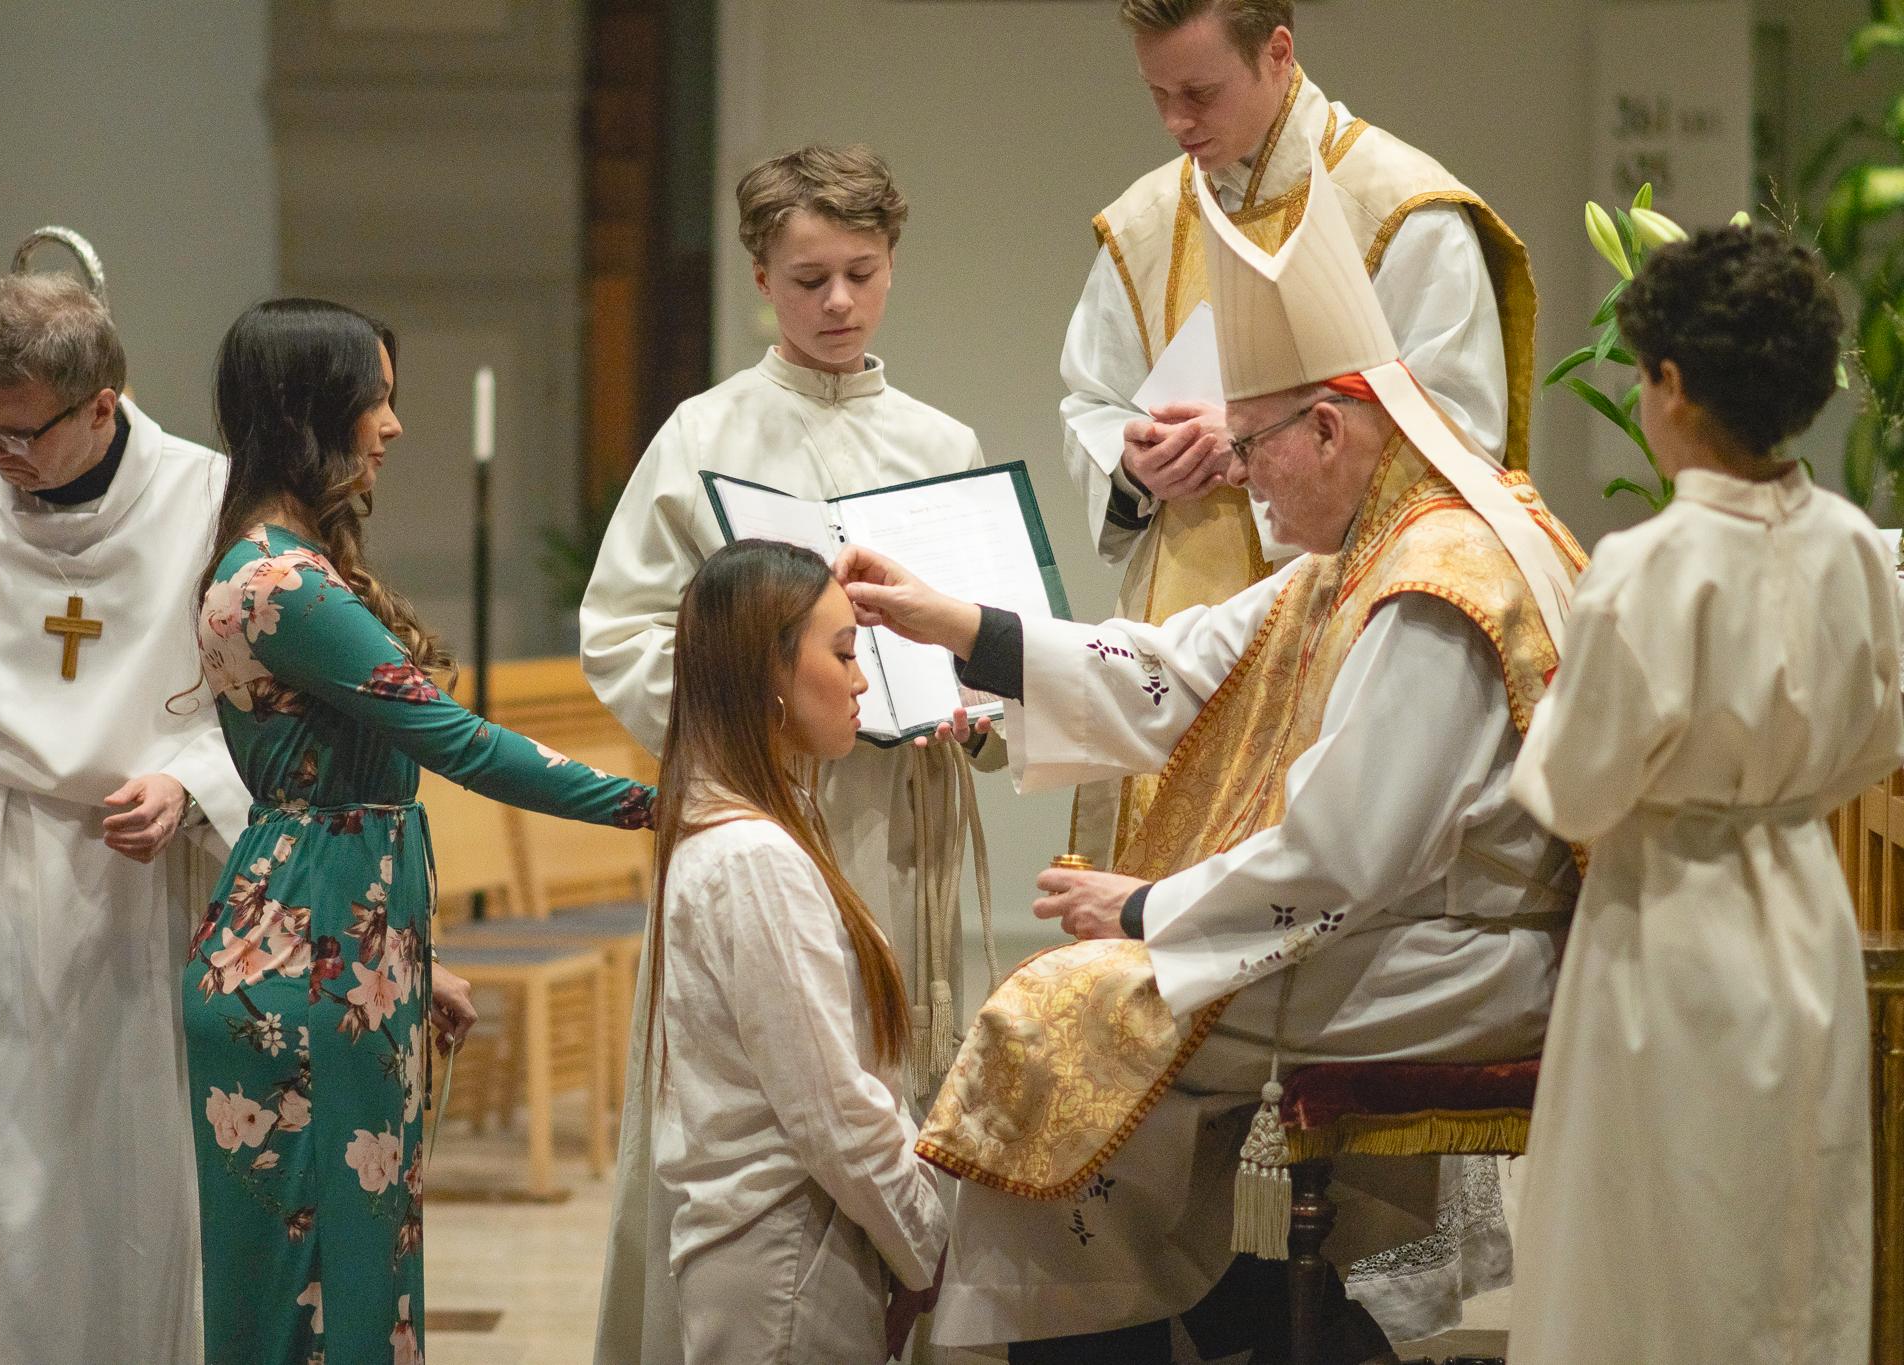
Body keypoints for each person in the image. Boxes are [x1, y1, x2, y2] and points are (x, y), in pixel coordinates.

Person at [840, 161, 1581, 1362]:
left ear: (1329, 427)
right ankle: (1230, 1320)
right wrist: (958, 625)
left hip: (1470, 955)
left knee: (1058, 1016)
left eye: (1248, 446)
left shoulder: (1434, 582)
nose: (1233, 476)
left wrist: (1141, 906)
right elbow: (1180, 671)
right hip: (1416, 926)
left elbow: (1336, 854)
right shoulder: (1383, 537)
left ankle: (1162, 1334)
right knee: (1080, 1019)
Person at [184, 298, 656, 1365]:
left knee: (357, 1274)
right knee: (315, 1299)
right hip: (301, 966)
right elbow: (461, 744)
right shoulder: (279, 585)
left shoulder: (294, 565)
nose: (392, 427)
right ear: (313, 411)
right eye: (375, 400)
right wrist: (654, 802)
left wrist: (407, 956)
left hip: (336, 949)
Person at [585, 145, 997, 1365]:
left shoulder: (939, 437)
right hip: (766, 819)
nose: (836, 303)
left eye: (860, 274)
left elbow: (986, 622)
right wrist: (757, 718)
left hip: (895, 819)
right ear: (760, 277)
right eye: (807, 277)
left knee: (885, 1074)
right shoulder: (703, 433)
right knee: (777, 1099)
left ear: (890, 270)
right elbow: (621, 631)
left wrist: (968, 704)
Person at [1505, 228, 1900, 1364]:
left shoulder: (1647, 564)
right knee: (1787, 1230)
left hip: (1667, 924)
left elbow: (1574, 792)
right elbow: (1875, 741)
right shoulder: (1851, 547)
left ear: (1671, 386)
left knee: (1650, 1247)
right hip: (1803, 910)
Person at [0, 271, 252, 1365]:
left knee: (123, 1189)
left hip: (141, 886)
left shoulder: (211, 506)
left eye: (21, 434)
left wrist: (188, 784)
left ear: (101, 404)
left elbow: (265, 715)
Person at [1062, 0, 1537, 868]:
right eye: (1157, 93)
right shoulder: (1141, 223)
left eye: (1199, 91)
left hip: (1345, 636)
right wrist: (1132, 461)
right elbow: (1089, 400)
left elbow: (1459, 440)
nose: (1176, 121)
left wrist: (1258, 440)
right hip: (1181, 611)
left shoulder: (1402, 211)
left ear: (1278, 52)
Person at [648, 538, 947, 1363]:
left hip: (793, 1241)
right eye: (844, 651)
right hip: (786, 1253)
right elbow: (830, 1109)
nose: (860, 679)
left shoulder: (760, 826)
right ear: (770, 672)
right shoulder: (754, 856)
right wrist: (928, 1244)